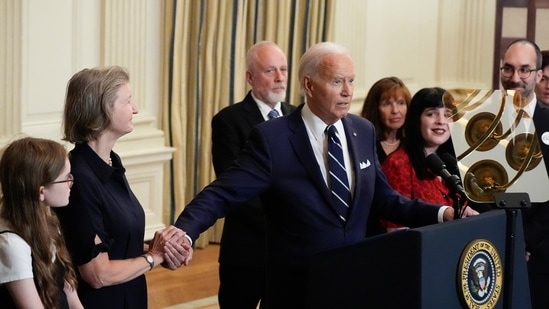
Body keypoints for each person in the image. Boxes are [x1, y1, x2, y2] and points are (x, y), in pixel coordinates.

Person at [158, 42, 477, 308]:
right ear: (309, 84)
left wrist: (442, 212)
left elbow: (383, 198)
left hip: (352, 286)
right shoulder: (273, 138)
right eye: (337, 81)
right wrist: (184, 231)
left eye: (351, 81)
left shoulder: (362, 130)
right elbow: (223, 193)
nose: (348, 91)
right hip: (297, 291)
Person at [53, 66, 188, 309]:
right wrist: (154, 256)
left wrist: (166, 251)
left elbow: (116, 243)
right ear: (103, 110)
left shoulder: (110, 161)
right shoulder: (79, 177)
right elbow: (97, 274)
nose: (135, 108)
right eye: (127, 101)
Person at [211, 41, 296, 308]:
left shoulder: (298, 117)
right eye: (271, 71)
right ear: (250, 77)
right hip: (247, 250)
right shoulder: (228, 121)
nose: (280, 77)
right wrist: (289, 217)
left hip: (292, 251)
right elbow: (234, 188)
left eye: (283, 69)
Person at [0, 137, 83, 309]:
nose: (71, 183)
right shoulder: (11, 244)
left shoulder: (48, 221)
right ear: (41, 191)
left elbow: (71, 297)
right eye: (66, 178)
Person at [500, 39, 549, 309]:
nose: (514, 78)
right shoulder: (479, 121)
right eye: (508, 69)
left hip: (539, 258)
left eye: (524, 70)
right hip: (490, 248)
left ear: (539, 75)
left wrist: (525, 241)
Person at [380, 87, 458, 232]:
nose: (441, 121)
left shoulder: (453, 162)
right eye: (432, 114)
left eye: (447, 114)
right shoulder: (398, 165)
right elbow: (396, 233)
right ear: (416, 119)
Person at [360, 76, 411, 164]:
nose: (395, 110)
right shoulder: (363, 145)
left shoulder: (413, 144)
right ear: (375, 109)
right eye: (387, 104)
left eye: (401, 103)